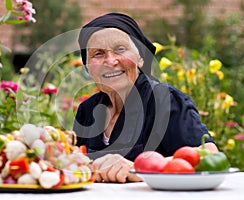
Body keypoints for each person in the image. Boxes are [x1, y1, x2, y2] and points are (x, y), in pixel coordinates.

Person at [73, 12, 218, 183]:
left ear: (141, 58)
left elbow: (209, 155)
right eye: (98, 54)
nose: (110, 61)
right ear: (88, 67)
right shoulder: (87, 110)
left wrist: (139, 169)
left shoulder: (165, 100)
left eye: (120, 49)